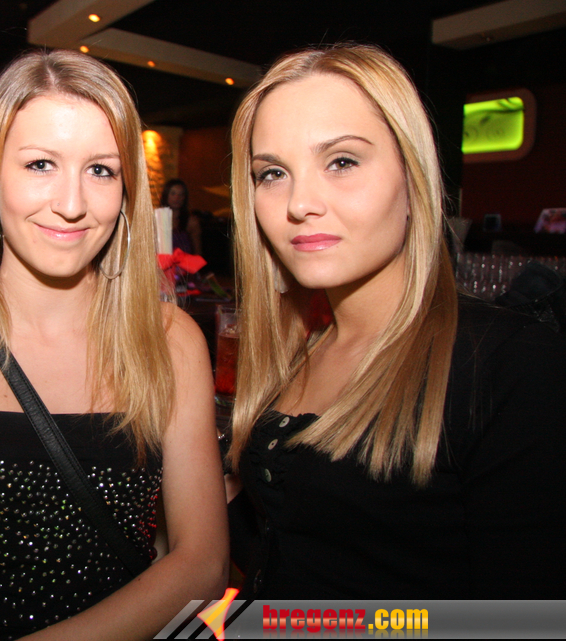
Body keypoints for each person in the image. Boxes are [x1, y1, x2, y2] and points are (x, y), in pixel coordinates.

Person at [0, 49, 228, 641]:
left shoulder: (170, 342)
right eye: (40, 164)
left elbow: (202, 566)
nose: (71, 204)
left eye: (101, 171)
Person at [226, 43, 566, 599]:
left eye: (342, 162)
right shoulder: (301, 349)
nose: (300, 203)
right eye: (273, 173)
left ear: (413, 178)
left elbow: (527, 623)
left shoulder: (512, 366)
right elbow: (299, 547)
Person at [158, 178, 202, 256]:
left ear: (184, 198)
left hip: (184, 262)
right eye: (173, 194)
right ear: (166, 195)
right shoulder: (157, 219)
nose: (177, 198)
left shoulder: (191, 222)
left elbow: (197, 251)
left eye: (181, 194)